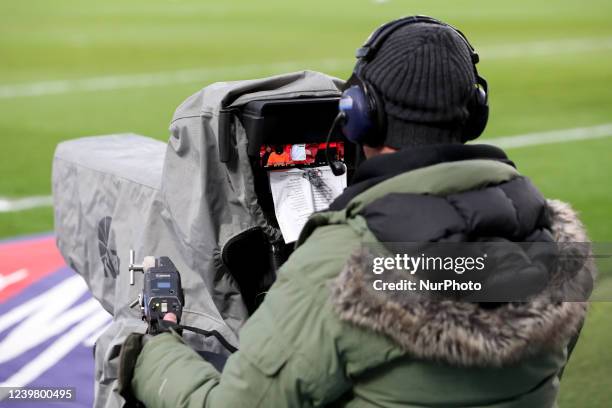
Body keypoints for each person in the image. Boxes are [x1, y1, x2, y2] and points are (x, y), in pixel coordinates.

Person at [118, 16, 594, 407]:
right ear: (475, 113)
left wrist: (154, 348)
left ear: (360, 113)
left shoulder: (342, 263)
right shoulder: (557, 244)